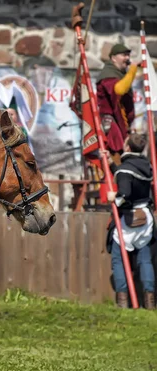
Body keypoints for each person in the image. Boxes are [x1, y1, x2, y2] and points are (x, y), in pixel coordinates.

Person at [104, 134, 155, 309]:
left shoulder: (126, 169)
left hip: (128, 221)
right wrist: (111, 163)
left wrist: (114, 197)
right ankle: (149, 301)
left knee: (118, 260)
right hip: (145, 218)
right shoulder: (147, 166)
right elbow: (124, 174)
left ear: (127, 148)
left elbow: (124, 192)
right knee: (145, 261)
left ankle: (123, 301)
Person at [97, 43, 139, 159]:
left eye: (128, 55)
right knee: (116, 151)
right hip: (111, 123)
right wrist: (132, 71)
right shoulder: (108, 75)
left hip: (121, 124)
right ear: (113, 58)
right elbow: (118, 90)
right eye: (123, 55)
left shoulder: (120, 74)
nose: (127, 58)